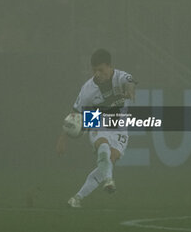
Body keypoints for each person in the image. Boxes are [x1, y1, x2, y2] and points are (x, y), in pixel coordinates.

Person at [56, 48, 136, 208]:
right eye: (94, 71)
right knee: (102, 143)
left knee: (109, 160)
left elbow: (130, 83)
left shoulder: (122, 76)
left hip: (119, 124)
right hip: (95, 117)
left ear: (109, 66)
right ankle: (108, 180)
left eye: (101, 70)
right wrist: (62, 138)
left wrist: (129, 92)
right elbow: (75, 113)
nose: (97, 74)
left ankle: (77, 198)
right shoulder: (87, 89)